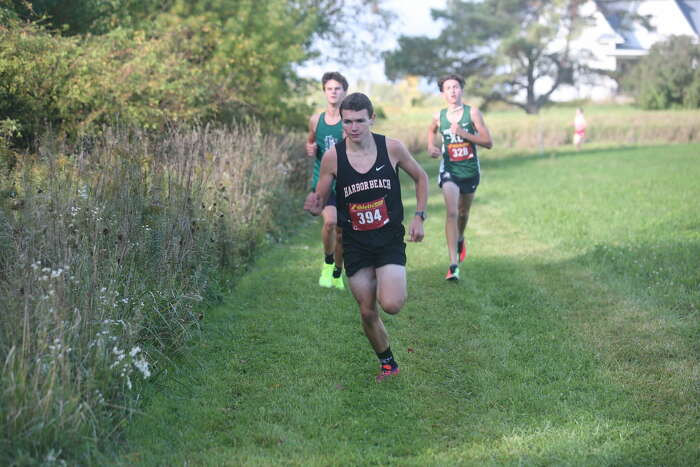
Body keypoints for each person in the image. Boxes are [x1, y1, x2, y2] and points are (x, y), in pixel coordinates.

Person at [304, 93, 429, 382]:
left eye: (360, 121)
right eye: (347, 122)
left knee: (392, 305)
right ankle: (388, 364)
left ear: (371, 119)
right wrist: (315, 205)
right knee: (367, 312)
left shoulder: (392, 148)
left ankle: (387, 288)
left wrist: (419, 216)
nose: (353, 127)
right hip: (355, 244)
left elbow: (421, 177)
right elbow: (321, 196)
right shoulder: (334, 156)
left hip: (387, 241)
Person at [427, 74, 493, 281]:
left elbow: (488, 142)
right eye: (448, 88)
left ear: (461, 90)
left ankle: (461, 238)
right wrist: (431, 146)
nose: (453, 91)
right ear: (443, 93)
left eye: (456, 87)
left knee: (463, 213)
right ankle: (453, 265)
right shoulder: (439, 116)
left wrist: (465, 134)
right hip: (449, 169)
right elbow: (431, 130)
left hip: (470, 170)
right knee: (452, 212)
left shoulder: (472, 113)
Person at [306, 72, 348, 290]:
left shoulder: (349, 121)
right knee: (330, 222)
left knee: (342, 231)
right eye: (330, 88)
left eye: (337, 88)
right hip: (322, 180)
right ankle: (328, 262)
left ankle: (338, 272)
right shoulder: (316, 119)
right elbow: (311, 142)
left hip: (346, 183)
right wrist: (310, 148)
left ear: (344, 92)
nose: (333, 92)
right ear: (324, 92)